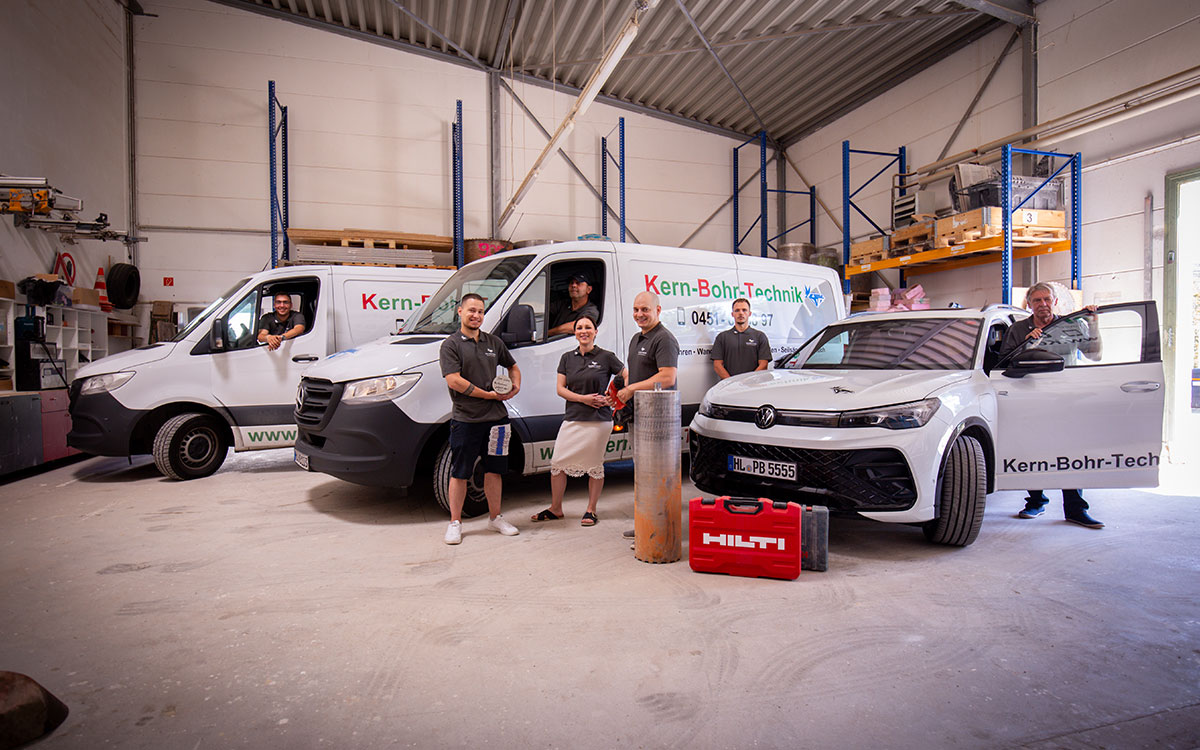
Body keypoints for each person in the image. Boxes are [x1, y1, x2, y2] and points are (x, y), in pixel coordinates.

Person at [998, 281, 1103, 529]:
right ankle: (1036, 501)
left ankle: (1076, 509)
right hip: (1029, 398)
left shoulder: (1072, 324)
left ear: (1055, 302)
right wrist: (1027, 343)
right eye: (1037, 300)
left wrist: (1094, 323)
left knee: (1070, 452)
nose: (1043, 304)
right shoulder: (1017, 329)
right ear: (1030, 304)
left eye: (1047, 299)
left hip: (1066, 399)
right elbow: (1003, 363)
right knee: (1033, 450)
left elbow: (1095, 354)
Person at [438, 292, 523, 544]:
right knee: (460, 472)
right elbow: (453, 379)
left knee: (495, 470)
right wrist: (487, 395)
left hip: (497, 421)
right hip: (466, 420)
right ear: (460, 312)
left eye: (480, 311)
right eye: (472, 310)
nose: (476, 315)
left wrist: (515, 387)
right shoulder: (451, 345)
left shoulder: (493, 343)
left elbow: (513, 366)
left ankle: (495, 518)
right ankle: (455, 523)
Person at [531, 315, 624, 527]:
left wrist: (615, 396)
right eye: (579, 328)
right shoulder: (566, 358)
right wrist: (585, 399)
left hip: (599, 422)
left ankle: (591, 510)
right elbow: (560, 389)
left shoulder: (606, 357)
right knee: (557, 463)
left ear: (595, 332)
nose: (584, 331)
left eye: (588, 327)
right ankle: (556, 508)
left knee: (594, 466)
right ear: (575, 333)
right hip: (573, 418)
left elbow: (626, 376)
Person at [617, 290, 679, 539]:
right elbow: (635, 374)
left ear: (658, 310)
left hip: (658, 419)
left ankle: (659, 531)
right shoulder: (636, 339)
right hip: (639, 416)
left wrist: (631, 389)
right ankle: (646, 524)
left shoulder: (664, 339)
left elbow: (667, 377)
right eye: (636, 310)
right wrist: (622, 388)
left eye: (645, 309)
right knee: (642, 473)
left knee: (658, 475)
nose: (639, 314)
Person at [710, 297, 771, 378]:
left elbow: (763, 364)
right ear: (732, 314)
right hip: (730, 388)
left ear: (750, 313)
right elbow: (717, 365)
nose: (741, 313)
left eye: (744, 310)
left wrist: (750, 382)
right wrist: (731, 383)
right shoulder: (722, 337)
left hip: (754, 386)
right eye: (737, 310)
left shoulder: (760, 336)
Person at [548, 272, 600, 336]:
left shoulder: (591, 310)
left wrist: (547, 333)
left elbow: (577, 326)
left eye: (578, 283)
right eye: (571, 283)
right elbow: (543, 308)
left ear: (588, 289)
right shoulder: (563, 303)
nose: (573, 285)